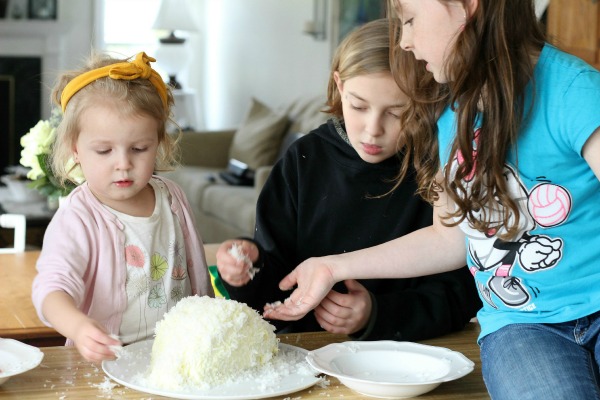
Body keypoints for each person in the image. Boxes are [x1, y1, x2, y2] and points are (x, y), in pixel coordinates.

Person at [264, 1, 600, 398]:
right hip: (523, 326)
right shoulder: (452, 115)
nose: (403, 41)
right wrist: (330, 267)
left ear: (467, 7)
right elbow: (449, 238)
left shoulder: (574, 91)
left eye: (409, 20)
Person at [215, 18, 481, 341]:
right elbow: (267, 300)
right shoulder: (303, 162)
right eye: (358, 106)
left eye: (396, 113)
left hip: (407, 354)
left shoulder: (438, 166)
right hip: (306, 354)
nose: (373, 129)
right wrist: (245, 273)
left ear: (425, 102)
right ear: (340, 86)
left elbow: (462, 295)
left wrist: (376, 313)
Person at [31, 52, 214, 362]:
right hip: (109, 361)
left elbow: (197, 274)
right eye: (104, 151)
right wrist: (77, 327)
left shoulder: (173, 198)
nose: (124, 164)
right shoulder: (79, 217)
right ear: (75, 150)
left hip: (180, 357)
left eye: (139, 149)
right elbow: (51, 288)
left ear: (158, 143)